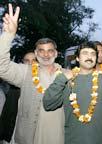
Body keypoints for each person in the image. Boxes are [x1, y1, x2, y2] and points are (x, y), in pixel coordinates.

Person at [0, 4, 64, 144]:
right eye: (41, 50)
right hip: (27, 137)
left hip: (54, 138)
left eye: (50, 50)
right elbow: (2, 67)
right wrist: (8, 35)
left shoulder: (66, 75)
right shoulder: (25, 72)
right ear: (36, 53)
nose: (46, 54)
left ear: (56, 53)